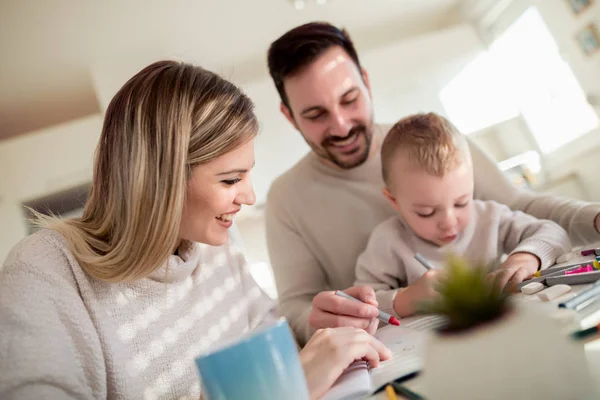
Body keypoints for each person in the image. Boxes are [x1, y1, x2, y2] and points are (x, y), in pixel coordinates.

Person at [0, 61, 391, 400]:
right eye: (230, 180)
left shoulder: (216, 250)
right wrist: (284, 389)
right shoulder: (48, 270)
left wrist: (313, 328)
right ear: (158, 180)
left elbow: (279, 345)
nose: (249, 196)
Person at [265, 21, 600, 345]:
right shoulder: (285, 199)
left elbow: (520, 207)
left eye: (350, 99)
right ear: (289, 115)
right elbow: (297, 305)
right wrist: (341, 319)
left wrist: (593, 218)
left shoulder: (431, 143)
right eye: (315, 115)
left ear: (366, 82)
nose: (340, 126)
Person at [354, 112, 571, 317]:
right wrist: (405, 299)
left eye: (461, 203)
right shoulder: (389, 240)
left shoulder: (489, 217)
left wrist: (526, 257)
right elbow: (359, 304)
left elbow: (553, 232)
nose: (449, 222)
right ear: (394, 201)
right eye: (426, 212)